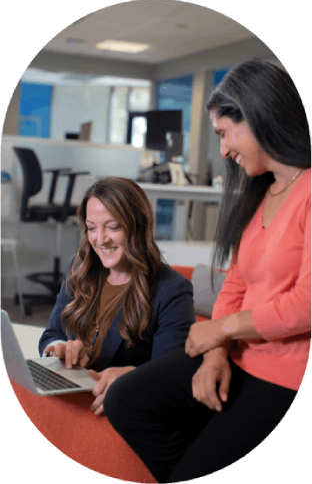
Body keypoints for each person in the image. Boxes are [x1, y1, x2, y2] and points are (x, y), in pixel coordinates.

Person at [103, 59, 312, 482]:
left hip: (286, 374)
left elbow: (306, 304)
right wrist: (217, 352)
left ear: (256, 116)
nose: (222, 151)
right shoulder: (262, 192)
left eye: (223, 133)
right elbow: (235, 282)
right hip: (238, 356)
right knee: (127, 398)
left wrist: (222, 331)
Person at [38, 177, 195, 415]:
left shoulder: (172, 289)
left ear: (138, 227)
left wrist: (132, 377)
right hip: (66, 393)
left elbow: (172, 374)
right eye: (92, 228)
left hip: (115, 405)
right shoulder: (79, 267)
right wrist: (59, 348)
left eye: (113, 227)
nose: (100, 240)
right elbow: (51, 334)